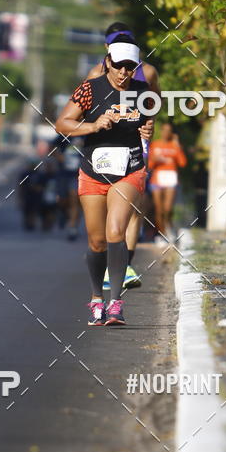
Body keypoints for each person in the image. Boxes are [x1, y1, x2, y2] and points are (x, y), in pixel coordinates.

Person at [55, 39, 154, 326]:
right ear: (107, 62)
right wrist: (93, 126)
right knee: (97, 241)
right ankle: (97, 298)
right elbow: (62, 124)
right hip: (93, 171)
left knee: (115, 231)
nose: (123, 72)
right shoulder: (91, 89)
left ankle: (116, 303)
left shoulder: (142, 93)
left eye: (130, 67)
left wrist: (148, 129)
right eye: (118, 65)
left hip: (130, 169)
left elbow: (149, 125)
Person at [86, 22, 160, 289]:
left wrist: (147, 124)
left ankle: (124, 264)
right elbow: (85, 107)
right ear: (108, 49)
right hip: (105, 144)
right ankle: (112, 261)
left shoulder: (148, 72)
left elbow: (153, 104)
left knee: (136, 205)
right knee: (112, 205)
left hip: (136, 142)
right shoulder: (97, 74)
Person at [148, 122, 187, 244]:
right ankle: (162, 234)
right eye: (164, 130)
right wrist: (156, 159)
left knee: (168, 208)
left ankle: (169, 227)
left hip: (171, 178)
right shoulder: (155, 144)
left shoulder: (174, 145)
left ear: (171, 133)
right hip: (157, 179)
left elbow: (182, 163)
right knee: (159, 209)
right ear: (161, 131)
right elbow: (149, 165)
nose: (166, 132)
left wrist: (178, 146)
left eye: (168, 130)